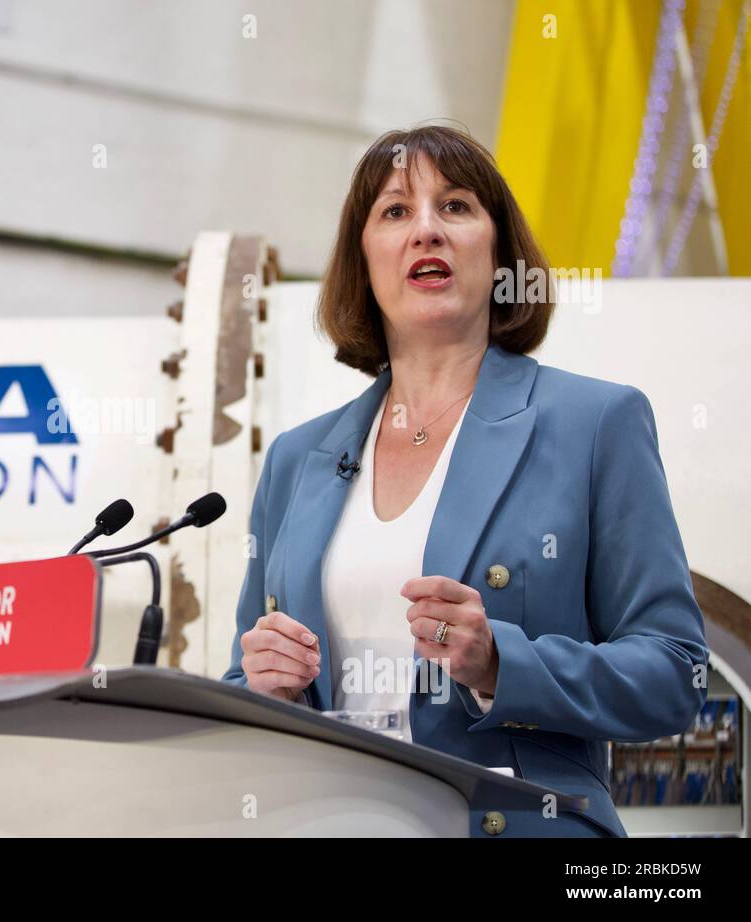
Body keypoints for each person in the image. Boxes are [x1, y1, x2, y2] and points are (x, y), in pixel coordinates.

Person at [221, 124, 709, 838]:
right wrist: (260, 686)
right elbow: (241, 678)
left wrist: (500, 662)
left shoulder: (596, 423)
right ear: (365, 259)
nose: (426, 230)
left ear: (498, 250)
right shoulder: (297, 460)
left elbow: (673, 673)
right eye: (394, 211)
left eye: (454, 206)